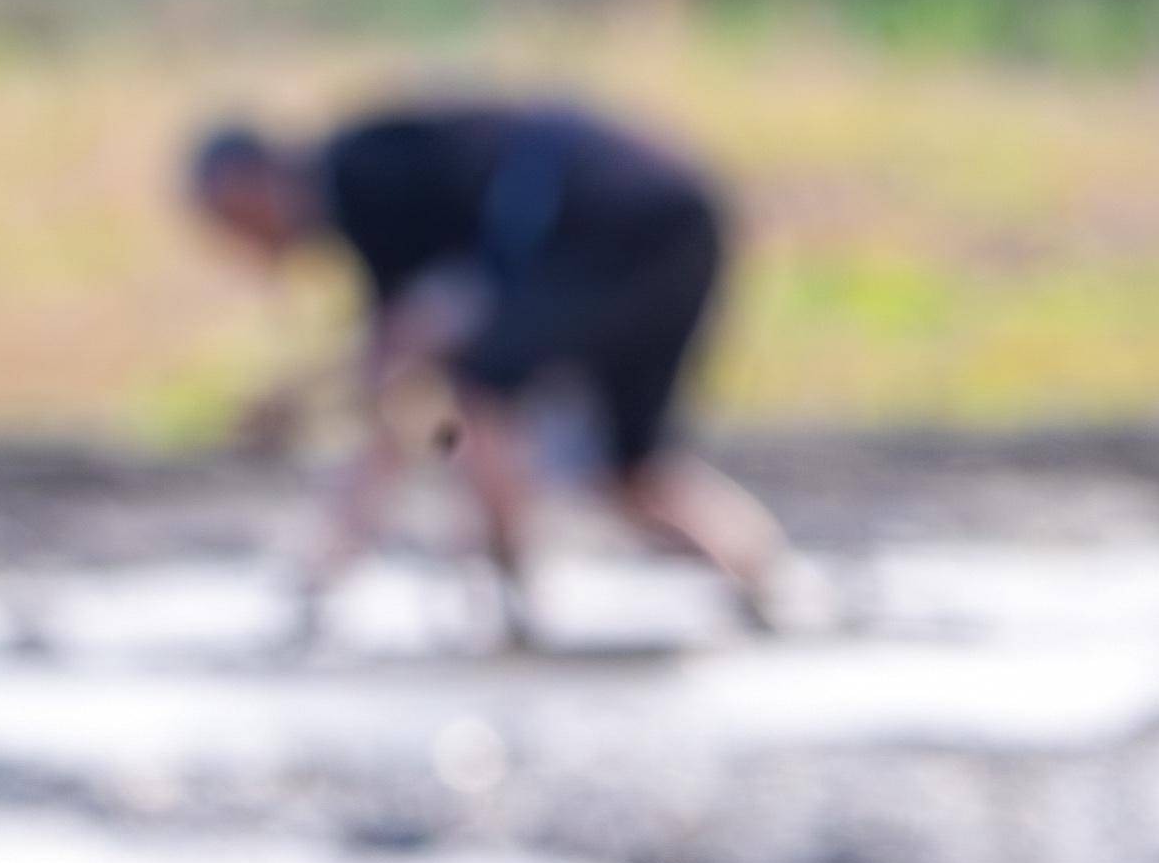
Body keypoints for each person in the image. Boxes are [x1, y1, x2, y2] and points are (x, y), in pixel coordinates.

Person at [187, 100, 793, 641]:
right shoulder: (377, 176)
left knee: (481, 397)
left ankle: (511, 599)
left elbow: (401, 365)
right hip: (679, 222)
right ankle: (773, 584)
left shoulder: (357, 179)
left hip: (613, 225)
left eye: (230, 222)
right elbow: (402, 367)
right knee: (625, 469)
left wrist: (301, 411)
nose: (245, 247)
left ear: (250, 181)